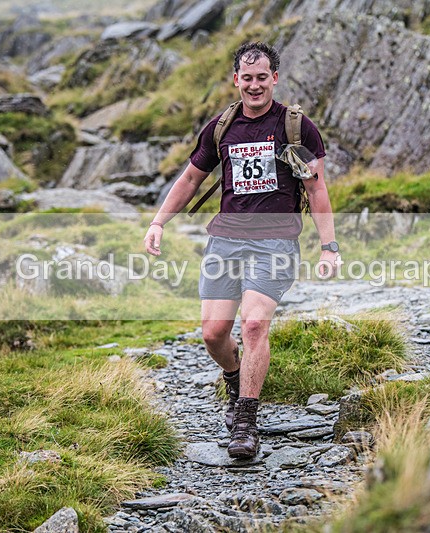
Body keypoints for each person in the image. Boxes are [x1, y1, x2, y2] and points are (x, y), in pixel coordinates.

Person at [144, 42, 339, 458]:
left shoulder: (296, 128)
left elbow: (315, 187)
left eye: (262, 77)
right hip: (225, 241)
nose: (254, 85)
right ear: (236, 79)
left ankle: (246, 421)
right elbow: (190, 180)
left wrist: (329, 247)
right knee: (214, 334)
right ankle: (235, 377)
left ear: (275, 78)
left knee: (252, 326)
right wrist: (158, 222)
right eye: (246, 78)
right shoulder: (221, 127)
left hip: (276, 242)